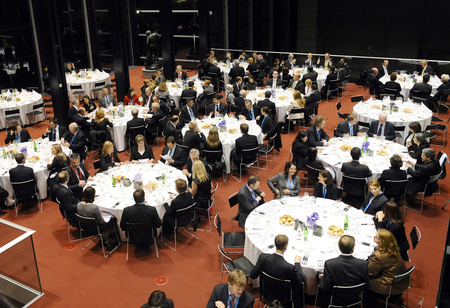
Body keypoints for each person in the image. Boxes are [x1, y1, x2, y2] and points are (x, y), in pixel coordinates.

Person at [250, 234, 303, 308]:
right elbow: (299, 281)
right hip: (284, 297)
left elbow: (252, 275)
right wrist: (297, 263)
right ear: (286, 247)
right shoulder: (289, 267)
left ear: (275, 244)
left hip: (266, 292)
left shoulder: (263, 258)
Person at [318, 235, 371, 306]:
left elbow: (325, 287)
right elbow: (367, 286)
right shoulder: (363, 264)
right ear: (353, 249)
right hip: (354, 298)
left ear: (339, 248)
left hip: (334, 299)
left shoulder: (330, 264)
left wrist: (321, 277)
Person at [367, 229, 409, 296]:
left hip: (388, 286)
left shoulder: (378, 256)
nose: (373, 237)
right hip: (401, 283)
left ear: (382, 242)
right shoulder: (394, 249)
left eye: (376, 237)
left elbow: (370, 273)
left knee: (359, 276)